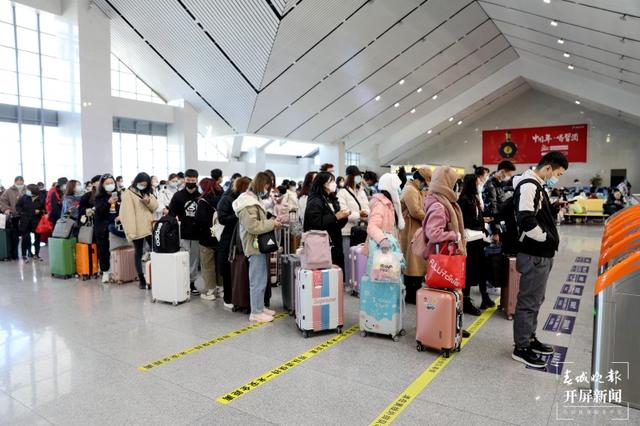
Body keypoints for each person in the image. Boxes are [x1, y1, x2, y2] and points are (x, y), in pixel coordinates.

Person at [511, 151, 568, 368]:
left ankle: (529, 337)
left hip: (540, 254)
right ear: (548, 168)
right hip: (534, 254)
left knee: (535, 300)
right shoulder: (529, 185)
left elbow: (536, 213)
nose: (557, 178)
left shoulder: (537, 185)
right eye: (558, 174)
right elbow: (525, 219)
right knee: (528, 302)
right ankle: (521, 347)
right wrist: (546, 238)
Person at [422, 166, 470, 338]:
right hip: (443, 258)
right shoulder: (439, 206)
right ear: (446, 184)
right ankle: (442, 328)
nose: (457, 188)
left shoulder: (444, 202)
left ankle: (452, 326)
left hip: (446, 256)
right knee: (447, 293)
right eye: (455, 184)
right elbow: (433, 234)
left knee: (451, 294)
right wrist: (454, 235)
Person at [233, 172, 282, 323]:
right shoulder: (247, 202)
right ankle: (255, 312)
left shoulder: (254, 199)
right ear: (261, 184)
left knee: (261, 278)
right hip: (254, 245)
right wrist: (272, 224)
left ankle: (260, 307)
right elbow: (253, 226)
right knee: (257, 280)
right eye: (266, 186)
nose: (267, 190)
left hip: (258, 244)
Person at [458, 173, 495, 314]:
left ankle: (485, 297)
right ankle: (466, 301)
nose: (479, 184)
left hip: (478, 239)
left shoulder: (474, 198)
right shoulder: (463, 200)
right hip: (470, 241)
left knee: (481, 269)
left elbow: (477, 216)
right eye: (477, 182)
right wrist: (481, 221)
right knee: (469, 271)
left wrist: (482, 221)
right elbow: (465, 220)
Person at [119, 172, 158, 290]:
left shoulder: (147, 192)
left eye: (145, 184)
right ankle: (141, 279)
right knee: (138, 253)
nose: (143, 186)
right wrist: (131, 232)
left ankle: (155, 275)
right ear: (136, 182)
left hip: (149, 227)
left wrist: (148, 202)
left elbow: (155, 206)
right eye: (141, 184)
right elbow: (127, 215)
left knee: (155, 251)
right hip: (137, 229)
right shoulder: (128, 194)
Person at [304, 172, 349, 271]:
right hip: (321, 245)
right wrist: (335, 217)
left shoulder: (332, 199)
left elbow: (336, 223)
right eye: (331, 181)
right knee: (326, 274)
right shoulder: (315, 200)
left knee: (337, 271)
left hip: (335, 242)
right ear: (323, 183)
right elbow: (314, 223)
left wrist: (344, 217)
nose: (334, 184)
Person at [217, 176, 251, 309]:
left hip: (241, 238)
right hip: (229, 238)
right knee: (228, 268)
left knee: (239, 269)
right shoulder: (227, 199)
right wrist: (238, 215)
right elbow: (222, 218)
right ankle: (228, 298)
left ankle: (239, 297)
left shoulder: (245, 198)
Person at [400, 167, 431, 303]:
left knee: (416, 262)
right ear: (420, 180)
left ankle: (414, 292)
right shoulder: (410, 190)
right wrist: (430, 218)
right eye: (425, 182)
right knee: (412, 263)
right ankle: (411, 294)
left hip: (416, 229)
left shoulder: (416, 190)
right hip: (410, 230)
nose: (425, 186)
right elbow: (415, 211)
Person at [169, 169, 201, 295]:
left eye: (193, 180)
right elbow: (171, 213)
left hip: (197, 232)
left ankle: (192, 282)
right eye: (188, 180)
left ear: (197, 180)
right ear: (184, 180)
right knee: (183, 258)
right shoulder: (178, 196)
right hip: (183, 232)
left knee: (194, 259)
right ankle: (182, 281)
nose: (190, 182)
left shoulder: (201, 196)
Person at [337, 166, 369, 287]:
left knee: (361, 257)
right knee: (348, 258)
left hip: (361, 230)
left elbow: (367, 207)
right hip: (347, 231)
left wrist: (365, 214)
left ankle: (359, 282)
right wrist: (359, 215)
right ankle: (349, 283)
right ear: (351, 177)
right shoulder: (342, 192)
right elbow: (343, 212)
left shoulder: (361, 191)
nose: (359, 178)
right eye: (357, 175)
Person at [195, 178, 222, 300]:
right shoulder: (222, 198)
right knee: (219, 264)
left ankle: (210, 291)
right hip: (220, 236)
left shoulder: (203, 201)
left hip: (207, 237)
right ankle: (221, 289)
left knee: (207, 265)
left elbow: (200, 221)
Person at [367, 172, 405, 253]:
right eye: (396, 188)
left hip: (389, 249)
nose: (398, 190)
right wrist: (382, 240)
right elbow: (372, 226)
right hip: (381, 250)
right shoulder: (380, 204)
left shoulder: (389, 204)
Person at [94, 174, 120, 283]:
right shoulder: (99, 197)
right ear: (102, 185)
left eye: (111, 183)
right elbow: (99, 211)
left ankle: (117, 270)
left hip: (115, 226)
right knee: (104, 250)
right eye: (107, 183)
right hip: (103, 228)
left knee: (117, 248)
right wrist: (108, 202)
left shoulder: (118, 195)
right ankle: (105, 271)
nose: (110, 185)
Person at [16, 184, 44, 262]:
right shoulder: (24, 197)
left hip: (36, 220)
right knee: (25, 238)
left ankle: (36, 254)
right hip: (25, 220)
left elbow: (44, 208)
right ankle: (24, 255)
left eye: (28, 190)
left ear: (33, 191)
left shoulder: (41, 197)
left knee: (37, 238)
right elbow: (18, 206)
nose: (27, 191)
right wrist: (21, 213)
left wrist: (40, 211)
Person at [0, 176, 25, 260]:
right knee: (15, 236)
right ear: (15, 182)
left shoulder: (27, 190)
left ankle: (26, 253)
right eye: (18, 181)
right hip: (14, 216)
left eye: (21, 181)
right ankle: (14, 254)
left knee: (26, 236)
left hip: (25, 216)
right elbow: (2, 201)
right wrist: (6, 209)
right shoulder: (9, 191)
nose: (20, 183)